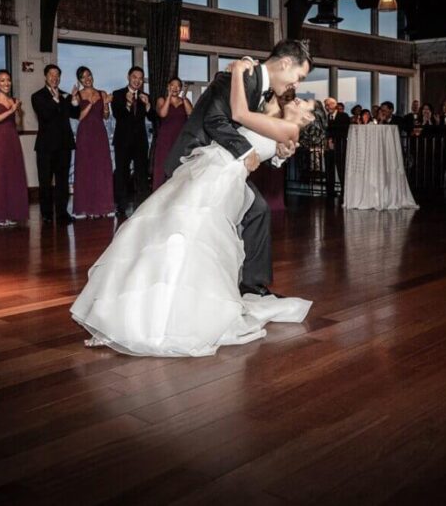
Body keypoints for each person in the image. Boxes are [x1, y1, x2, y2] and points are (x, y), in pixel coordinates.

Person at [70, 57, 318, 357]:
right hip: (211, 163)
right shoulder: (268, 108)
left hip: (224, 171)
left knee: (202, 228)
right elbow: (235, 123)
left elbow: (248, 124)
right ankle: (181, 298)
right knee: (189, 228)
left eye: (308, 106)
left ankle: (221, 293)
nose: (301, 95)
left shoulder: (283, 124)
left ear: (306, 121)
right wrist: (238, 78)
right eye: (299, 80)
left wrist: (240, 73)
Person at [163, 39, 310, 297]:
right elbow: (214, 120)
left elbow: (254, 132)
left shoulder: (261, 89)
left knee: (258, 210)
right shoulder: (239, 77)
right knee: (191, 228)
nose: (297, 85)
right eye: (299, 77)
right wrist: (246, 151)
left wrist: (277, 153)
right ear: (286, 63)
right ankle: (180, 285)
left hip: (223, 164)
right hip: (195, 161)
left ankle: (252, 285)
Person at [31, 64, 79, 225]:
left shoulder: (66, 95)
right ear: (45, 76)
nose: (55, 77)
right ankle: (46, 214)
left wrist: (74, 100)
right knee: (45, 182)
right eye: (51, 74)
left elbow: (76, 114)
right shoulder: (37, 96)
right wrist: (57, 99)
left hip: (64, 145)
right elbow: (45, 114)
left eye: (57, 75)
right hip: (45, 146)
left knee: (63, 181)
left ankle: (62, 213)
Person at [0, 69, 29, 227]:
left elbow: (18, 125)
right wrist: (11, 110)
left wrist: (18, 112)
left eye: (8, 80)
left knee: (12, 174)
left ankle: (10, 213)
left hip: (12, 139)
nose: (6, 83)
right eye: (2, 80)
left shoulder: (14, 100)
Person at [70, 66, 115, 218]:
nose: (87, 79)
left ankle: (104, 206)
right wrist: (90, 103)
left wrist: (106, 104)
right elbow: (80, 117)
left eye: (88, 75)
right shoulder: (78, 95)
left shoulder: (102, 93)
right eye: (83, 77)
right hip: (84, 134)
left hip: (99, 133)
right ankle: (84, 207)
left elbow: (106, 116)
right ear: (80, 80)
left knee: (102, 168)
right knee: (85, 168)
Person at [111, 66, 153, 216]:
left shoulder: (145, 96)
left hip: (140, 142)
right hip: (122, 141)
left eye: (140, 78)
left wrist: (148, 105)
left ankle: (142, 206)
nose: (137, 81)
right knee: (121, 173)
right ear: (128, 77)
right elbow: (117, 115)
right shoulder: (117, 94)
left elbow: (153, 118)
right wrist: (128, 104)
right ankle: (121, 207)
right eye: (135, 77)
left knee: (141, 174)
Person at [151, 77, 192, 190]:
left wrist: (184, 98)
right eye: (173, 85)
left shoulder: (184, 101)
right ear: (168, 86)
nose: (175, 88)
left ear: (180, 88)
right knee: (161, 168)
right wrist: (169, 97)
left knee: (178, 167)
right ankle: (158, 194)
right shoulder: (162, 100)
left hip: (180, 140)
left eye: (178, 86)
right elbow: (162, 114)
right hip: (165, 139)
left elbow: (191, 113)